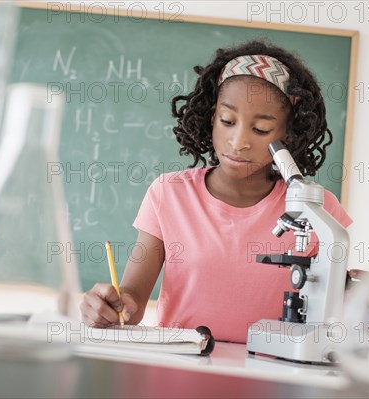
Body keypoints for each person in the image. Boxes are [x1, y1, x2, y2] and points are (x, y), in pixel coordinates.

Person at [80, 40, 352, 343]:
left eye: (261, 129)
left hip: (272, 373)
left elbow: (333, 309)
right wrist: (111, 307)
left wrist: (356, 294)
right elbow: (132, 303)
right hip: (181, 370)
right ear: (211, 118)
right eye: (227, 121)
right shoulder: (169, 193)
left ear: (289, 133)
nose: (238, 142)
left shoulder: (316, 207)